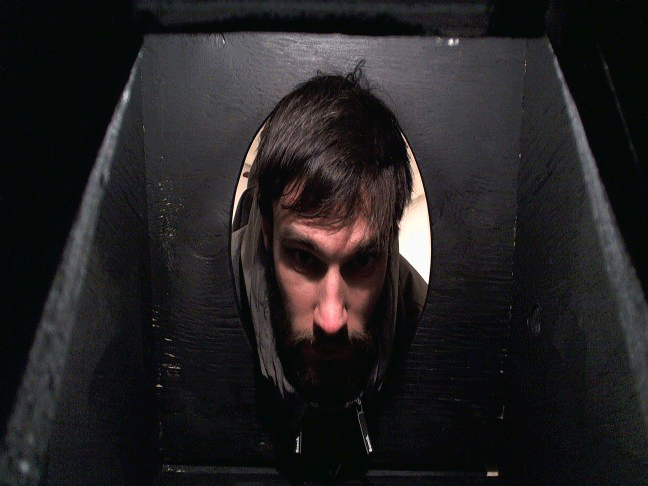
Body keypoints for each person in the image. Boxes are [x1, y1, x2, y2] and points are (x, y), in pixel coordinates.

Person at [231, 66, 427, 482]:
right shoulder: (206, 287)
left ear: (390, 239)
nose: (332, 319)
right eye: (304, 258)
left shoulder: (418, 304)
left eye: (363, 260)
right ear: (267, 231)